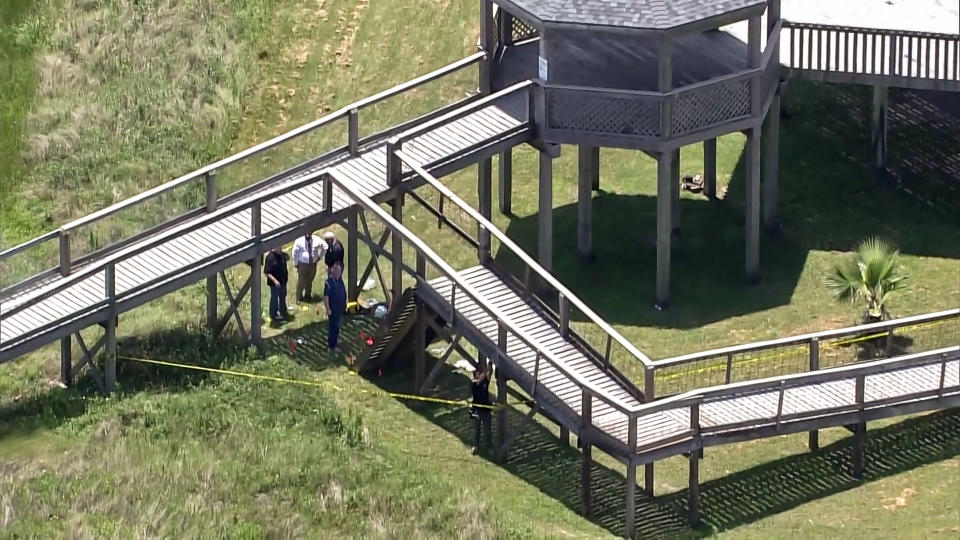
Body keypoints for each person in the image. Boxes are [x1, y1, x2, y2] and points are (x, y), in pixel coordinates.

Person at [292, 231, 326, 302]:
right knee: (301, 280)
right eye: (306, 233)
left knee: (310, 279)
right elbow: (295, 252)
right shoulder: (299, 240)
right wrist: (296, 263)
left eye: (309, 233)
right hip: (302, 264)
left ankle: (308, 296)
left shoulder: (316, 239)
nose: (308, 234)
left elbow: (325, 246)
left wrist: (320, 256)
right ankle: (299, 297)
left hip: (312, 264)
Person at [470, 359, 493, 455]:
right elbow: (481, 379)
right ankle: (475, 446)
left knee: (487, 431)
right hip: (477, 411)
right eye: (478, 373)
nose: (480, 374)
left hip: (486, 410)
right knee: (477, 431)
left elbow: (489, 375)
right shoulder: (474, 384)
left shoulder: (484, 383)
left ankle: (489, 447)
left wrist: (490, 366)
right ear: (475, 375)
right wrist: (487, 369)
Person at [323, 262, 347, 352]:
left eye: (340, 271)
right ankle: (332, 346)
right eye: (336, 270)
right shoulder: (329, 282)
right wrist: (328, 309)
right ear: (333, 271)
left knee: (337, 326)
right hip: (333, 309)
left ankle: (336, 339)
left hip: (339, 308)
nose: (338, 272)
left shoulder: (339, 280)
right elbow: (326, 297)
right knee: (333, 327)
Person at [264, 245, 290, 322]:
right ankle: (273, 314)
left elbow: (287, 257)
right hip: (274, 283)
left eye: (281, 247)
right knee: (274, 298)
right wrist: (275, 281)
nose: (280, 248)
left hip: (283, 281)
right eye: (278, 247)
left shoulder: (282, 255)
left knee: (283, 296)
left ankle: (283, 311)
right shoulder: (270, 257)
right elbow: (267, 272)